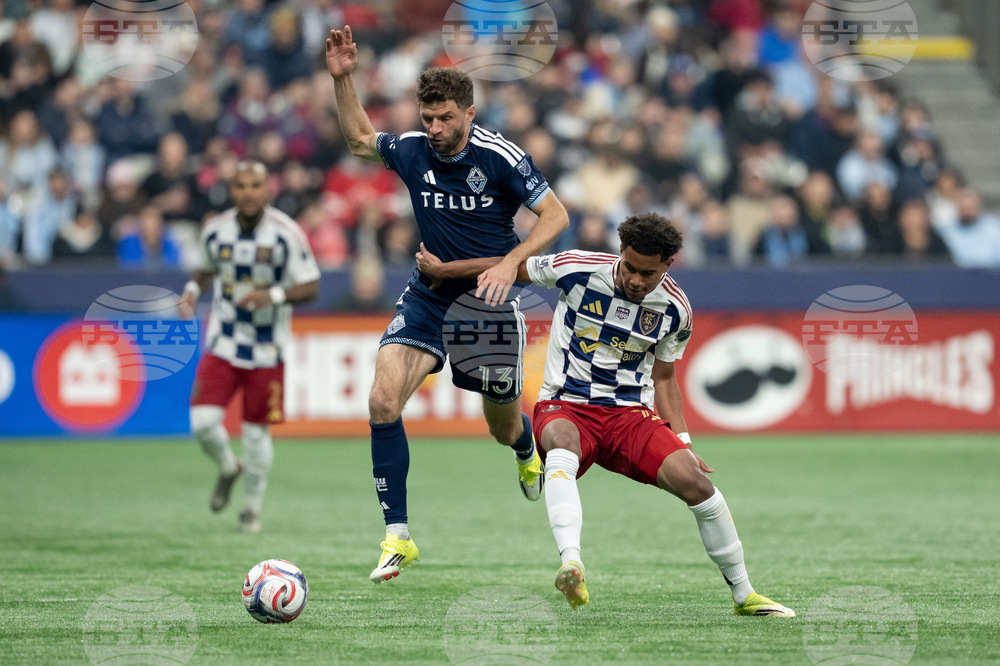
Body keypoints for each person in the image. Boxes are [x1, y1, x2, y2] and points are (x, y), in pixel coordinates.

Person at [416, 212, 794, 616]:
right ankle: (571, 563)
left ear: (667, 266)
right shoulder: (575, 268)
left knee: (700, 488)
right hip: (565, 404)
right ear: (620, 252)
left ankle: (744, 595)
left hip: (630, 416)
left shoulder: (676, 310)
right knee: (561, 446)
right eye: (629, 267)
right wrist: (446, 270)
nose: (635, 280)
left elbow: (665, 379)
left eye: (647, 273)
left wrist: (684, 442)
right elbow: (510, 267)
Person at [325, 26, 570, 583]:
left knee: (501, 426)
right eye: (426, 117)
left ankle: (525, 448)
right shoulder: (412, 150)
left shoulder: (501, 157)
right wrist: (343, 80)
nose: (433, 129)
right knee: (382, 401)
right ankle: (398, 537)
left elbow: (556, 216)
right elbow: (362, 139)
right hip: (428, 299)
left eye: (444, 119)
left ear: (468, 112)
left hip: (488, 304)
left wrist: (511, 262)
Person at [179, 161, 320, 533]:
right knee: (202, 424)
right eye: (240, 185)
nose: (247, 193)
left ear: (267, 189)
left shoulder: (286, 234)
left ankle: (250, 509)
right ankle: (228, 466)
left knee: (256, 433)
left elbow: (311, 286)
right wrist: (192, 292)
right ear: (232, 190)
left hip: (267, 348)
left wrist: (272, 295)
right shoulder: (215, 231)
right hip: (223, 341)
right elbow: (205, 269)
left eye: (255, 185)